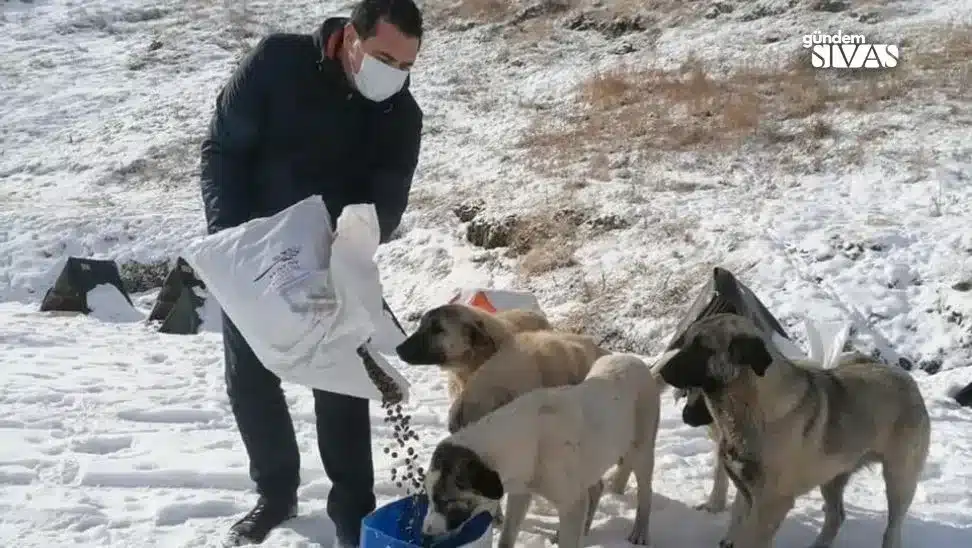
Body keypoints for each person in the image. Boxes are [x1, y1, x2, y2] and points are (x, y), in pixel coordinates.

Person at [197, 0, 424, 545]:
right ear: (350, 37)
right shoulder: (278, 64)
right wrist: (233, 240)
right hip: (256, 258)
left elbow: (387, 204)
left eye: (405, 66)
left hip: (327, 265)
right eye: (382, 57)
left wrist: (357, 238)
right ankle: (275, 492)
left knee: (341, 382)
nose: (391, 74)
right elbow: (223, 150)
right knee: (250, 380)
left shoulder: (401, 116)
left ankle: (352, 513)